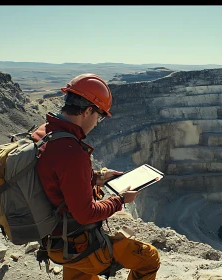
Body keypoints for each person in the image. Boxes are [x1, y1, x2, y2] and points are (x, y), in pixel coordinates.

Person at [30, 73, 160, 280]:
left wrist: (96, 177)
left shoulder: (43, 133)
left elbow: (53, 175)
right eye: (99, 116)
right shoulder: (71, 150)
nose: (97, 123)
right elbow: (86, 214)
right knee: (149, 258)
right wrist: (120, 200)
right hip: (76, 244)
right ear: (88, 110)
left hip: (52, 238)